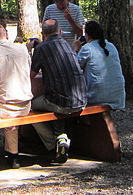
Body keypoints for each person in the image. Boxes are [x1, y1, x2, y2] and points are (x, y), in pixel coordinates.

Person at [30, 18, 87, 164]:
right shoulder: (68, 46)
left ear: (43, 34)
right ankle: (61, 137)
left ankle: (53, 142)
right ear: (60, 31)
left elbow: (31, 75)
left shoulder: (41, 48)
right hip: (81, 99)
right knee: (55, 100)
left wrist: (29, 50)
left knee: (29, 109)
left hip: (59, 102)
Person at [0, 23, 32, 168]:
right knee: (10, 111)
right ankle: (13, 154)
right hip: (26, 104)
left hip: (3, 107)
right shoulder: (22, 49)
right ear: (6, 35)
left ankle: (7, 154)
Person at [74, 21, 125, 110]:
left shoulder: (87, 48)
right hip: (118, 94)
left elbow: (74, 68)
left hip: (98, 96)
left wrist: (75, 50)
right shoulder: (111, 46)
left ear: (87, 35)